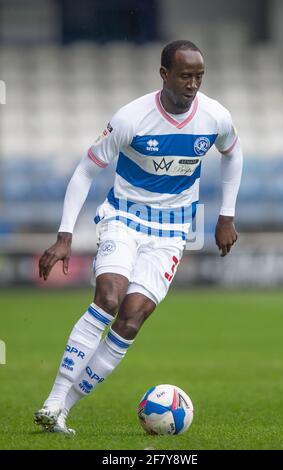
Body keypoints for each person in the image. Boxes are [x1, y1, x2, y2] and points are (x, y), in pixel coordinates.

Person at [34, 40, 243, 435]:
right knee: (109, 299)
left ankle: (64, 409)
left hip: (173, 231)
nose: (193, 84)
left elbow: (234, 153)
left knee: (130, 320)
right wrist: (64, 236)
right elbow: (84, 171)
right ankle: (53, 397)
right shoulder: (131, 118)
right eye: (185, 75)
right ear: (164, 74)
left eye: (199, 76)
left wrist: (226, 215)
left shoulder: (215, 117)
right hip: (124, 218)